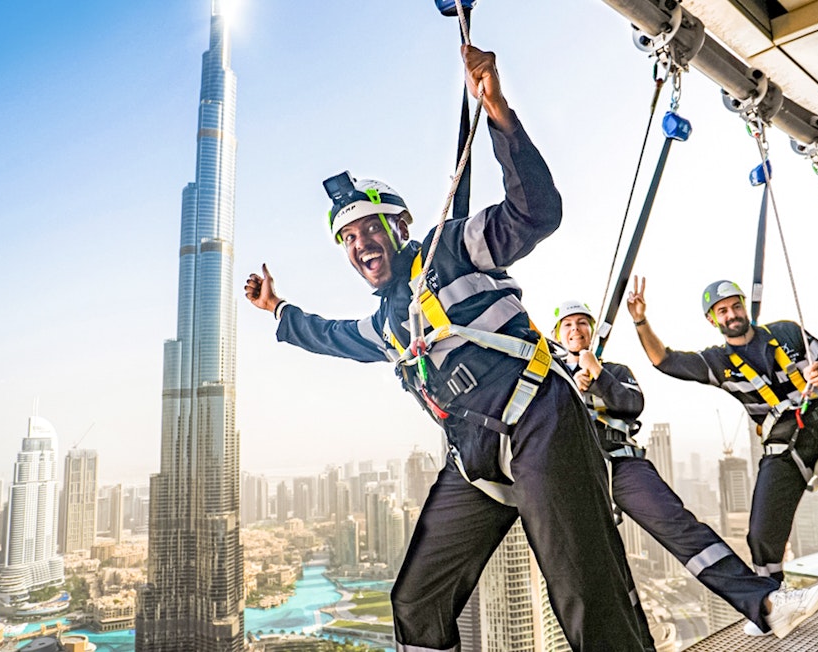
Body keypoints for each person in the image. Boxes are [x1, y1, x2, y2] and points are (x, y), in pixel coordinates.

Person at [245, 44, 651, 652]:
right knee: (417, 602)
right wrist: (278, 310)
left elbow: (535, 212)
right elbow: (328, 335)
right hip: (475, 464)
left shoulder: (451, 249)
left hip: (541, 424)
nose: (359, 247)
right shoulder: (385, 327)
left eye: (368, 230)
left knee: (590, 600)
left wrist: (498, 113)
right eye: (347, 240)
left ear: (398, 227)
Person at [554, 299, 818, 639]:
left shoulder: (616, 372)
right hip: (573, 472)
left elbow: (631, 404)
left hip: (621, 462)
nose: (575, 330)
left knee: (684, 531)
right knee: (591, 567)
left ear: (592, 331)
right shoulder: (551, 376)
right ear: (557, 335)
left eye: (582, 323)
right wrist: (569, 382)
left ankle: (767, 604)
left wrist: (597, 376)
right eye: (567, 325)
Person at [627, 276, 818, 634]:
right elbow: (664, 360)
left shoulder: (786, 332)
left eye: (736, 305)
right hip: (784, 447)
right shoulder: (718, 361)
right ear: (713, 320)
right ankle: (773, 603)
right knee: (760, 533)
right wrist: (640, 321)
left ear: (745, 307)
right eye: (722, 311)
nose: (732, 314)